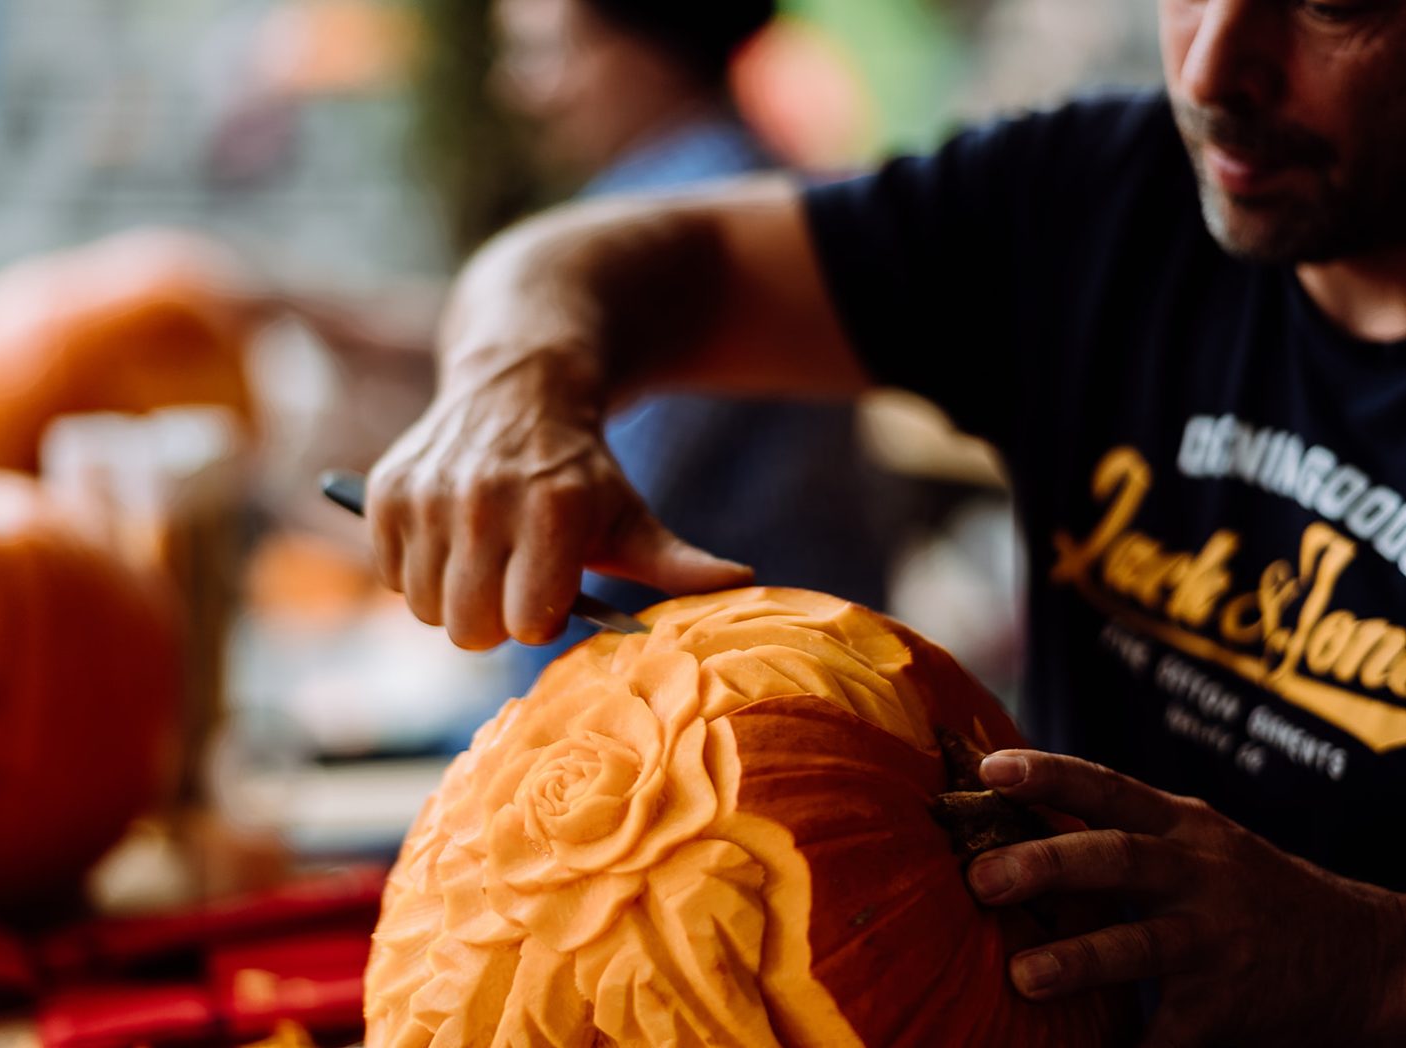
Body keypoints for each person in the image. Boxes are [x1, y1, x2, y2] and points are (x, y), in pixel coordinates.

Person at [361, 0, 1406, 1042]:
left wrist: (1367, 956)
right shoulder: (1103, 197)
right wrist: (514, 382)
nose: (1215, 69)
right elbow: (582, 261)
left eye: (1331, 8)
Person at [481, 0, 898, 705]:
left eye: (547, 53)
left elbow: (579, 501)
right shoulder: (653, 188)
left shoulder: (712, 208)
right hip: (685, 691)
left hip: (737, 703)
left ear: (642, 53)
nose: (520, 89)